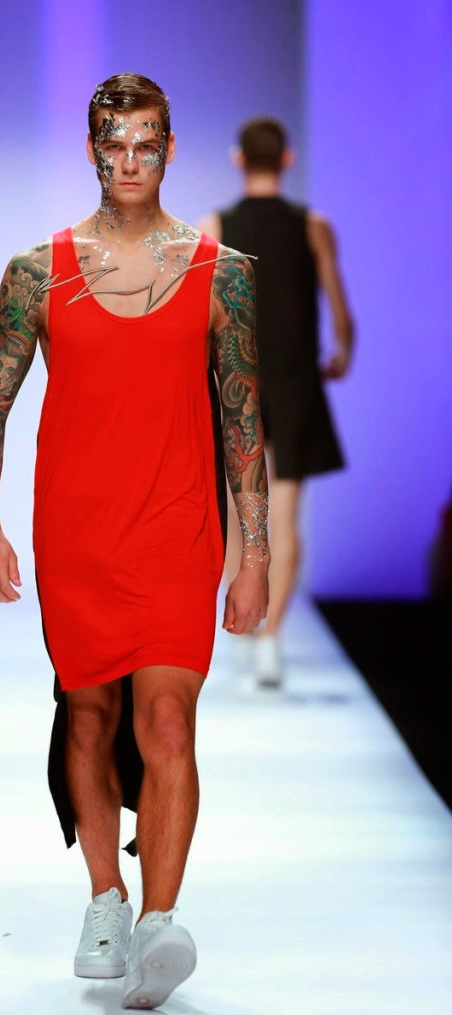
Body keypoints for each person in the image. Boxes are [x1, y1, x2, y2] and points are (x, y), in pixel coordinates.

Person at [0, 74, 270, 1011]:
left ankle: (160, 922)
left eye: (145, 144)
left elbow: (244, 422)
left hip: (179, 530)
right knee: (89, 718)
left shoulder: (224, 273)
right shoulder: (37, 273)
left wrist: (254, 554)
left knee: (169, 721)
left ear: (169, 149)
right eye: (114, 145)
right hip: (78, 535)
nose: (129, 161)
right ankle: (106, 898)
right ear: (92, 150)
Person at [198, 116, 354, 688]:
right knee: (283, 519)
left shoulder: (214, 228)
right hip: (295, 385)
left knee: (239, 514)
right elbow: (339, 308)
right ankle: (269, 642)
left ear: (238, 160)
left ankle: (244, 628)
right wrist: (342, 355)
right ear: (287, 160)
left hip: (237, 384)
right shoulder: (313, 226)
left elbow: (201, 314)